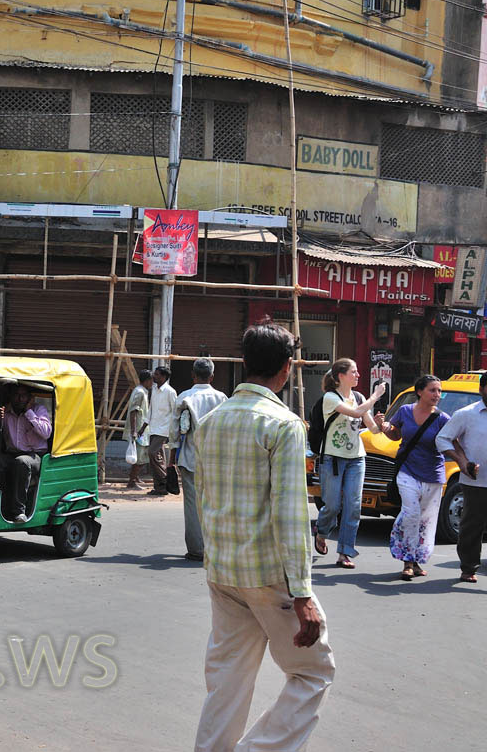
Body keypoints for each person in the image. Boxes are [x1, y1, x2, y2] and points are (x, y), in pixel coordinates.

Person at [193, 321, 334, 752]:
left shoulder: (210, 422)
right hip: (269, 577)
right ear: (288, 369)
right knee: (313, 673)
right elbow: (291, 515)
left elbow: (203, 500)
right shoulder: (284, 425)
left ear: (243, 363)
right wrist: (303, 593)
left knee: (227, 681)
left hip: (223, 572)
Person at [313, 358, 386, 568]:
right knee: (333, 505)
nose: (358, 375)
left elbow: (372, 428)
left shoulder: (359, 397)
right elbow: (355, 413)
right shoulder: (330, 397)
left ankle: (345, 552)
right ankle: (323, 530)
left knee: (353, 506)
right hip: (333, 458)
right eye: (354, 372)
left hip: (356, 458)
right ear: (340, 377)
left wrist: (380, 424)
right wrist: (376, 395)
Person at [377, 375, 449, 580]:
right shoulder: (405, 411)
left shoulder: (443, 419)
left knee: (426, 520)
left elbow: (453, 441)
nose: (437, 395)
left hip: (433, 475)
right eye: (432, 390)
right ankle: (407, 561)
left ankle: (417, 560)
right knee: (411, 514)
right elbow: (395, 434)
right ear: (420, 392)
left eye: (439, 391)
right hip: (407, 471)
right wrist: (384, 427)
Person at [169, 358, 227, 561]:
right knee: (215, 503)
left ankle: (196, 549)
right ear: (212, 376)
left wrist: (171, 458)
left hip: (190, 457)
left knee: (192, 505)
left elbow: (175, 431)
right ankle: (215, 547)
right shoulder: (221, 398)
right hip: (216, 460)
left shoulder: (185, 397)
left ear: (193, 375)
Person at [435, 370, 487, 584]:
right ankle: (468, 567)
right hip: (475, 481)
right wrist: (460, 461)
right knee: (472, 526)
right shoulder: (467, 414)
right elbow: (443, 439)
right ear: (482, 389)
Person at [0, 384, 53, 522]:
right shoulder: (6, 413)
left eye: (23, 395)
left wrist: (29, 412)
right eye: (16, 395)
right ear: (11, 396)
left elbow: (46, 433)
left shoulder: (38, 409)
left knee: (21, 462)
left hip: (35, 456)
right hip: (11, 454)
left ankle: (18, 511)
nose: (20, 399)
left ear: (29, 398)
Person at [147, 365, 177, 496]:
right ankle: (160, 488)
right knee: (158, 458)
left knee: (152, 453)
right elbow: (151, 409)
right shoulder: (154, 390)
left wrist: (174, 430)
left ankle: (165, 480)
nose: (154, 376)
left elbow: (176, 411)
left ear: (164, 377)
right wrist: (144, 426)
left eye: (157, 374)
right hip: (153, 427)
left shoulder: (170, 392)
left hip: (164, 428)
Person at [124, 370, 153, 489]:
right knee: (139, 457)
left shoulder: (142, 391)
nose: (152, 383)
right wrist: (134, 431)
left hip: (141, 430)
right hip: (138, 430)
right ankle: (131, 481)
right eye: (151, 381)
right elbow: (133, 412)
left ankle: (135, 478)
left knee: (141, 455)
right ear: (147, 381)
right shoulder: (140, 392)